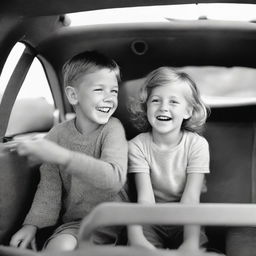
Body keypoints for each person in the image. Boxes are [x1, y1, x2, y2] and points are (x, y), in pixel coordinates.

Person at [7, 51, 128, 251]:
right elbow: (49, 187)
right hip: (80, 223)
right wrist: (31, 225)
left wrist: (62, 156)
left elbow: (113, 180)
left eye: (114, 91)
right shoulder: (57, 135)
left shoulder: (113, 128)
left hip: (118, 220)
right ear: (73, 95)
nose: (109, 98)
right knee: (58, 246)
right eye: (99, 90)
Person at [127, 67, 210, 253]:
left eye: (173, 101)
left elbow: (191, 199)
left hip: (187, 218)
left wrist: (189, 243)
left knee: (195, 249)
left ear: (188, 111)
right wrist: (141, 241)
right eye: (155, 100)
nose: (163, 107)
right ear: (146, 106)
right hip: (151, 218)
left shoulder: (198, 145)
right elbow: (145, 199)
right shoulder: (137, 146)